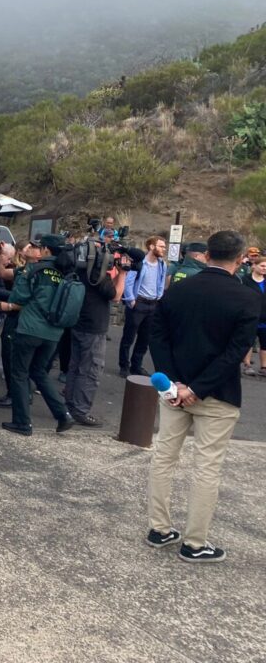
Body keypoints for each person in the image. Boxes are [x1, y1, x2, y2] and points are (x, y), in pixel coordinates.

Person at [146, 230, 259, 562]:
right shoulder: (247, 299)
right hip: (218, 393)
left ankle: (159, 528)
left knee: (164, 457)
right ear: (240, 261)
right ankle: (195, 543)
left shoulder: (178, 289)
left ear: (206, 255)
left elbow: (157, 336)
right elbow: (236, 351)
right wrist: (197, 388)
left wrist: (176, 382)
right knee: (206, 467)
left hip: (174, 391)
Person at [0, 234, 74, 435]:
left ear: (46, 250)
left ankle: (22, 422)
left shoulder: (33, 270)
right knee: (39, 372)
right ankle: (63, 415)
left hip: (29, 329)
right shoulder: (66, 272)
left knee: (19, 373)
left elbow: (18, 298)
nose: (34, 248)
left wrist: (9, 305)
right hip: (54, 333)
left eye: (38, 246)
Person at [63, 237, 127, 427]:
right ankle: (81, 410)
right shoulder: (97, 273)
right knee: (90, 369)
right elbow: (115, 296)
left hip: (78, 323)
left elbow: (106, 289)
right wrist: (122, 274)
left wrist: (114, 275)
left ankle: (71, 405)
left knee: (75, 366)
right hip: (93, 327)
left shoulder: (80, 269)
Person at [0, 239, 40, 408]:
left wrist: (9, 305)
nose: (28, 247)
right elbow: (1, 273)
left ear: (39, 254)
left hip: (21, 320)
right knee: (11, 357)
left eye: (33, 247)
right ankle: (21, 394)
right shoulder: (23, 270)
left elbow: (34, 302)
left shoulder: (37, 273)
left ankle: (16, 396)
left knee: (15, 359)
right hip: (14, 319)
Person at [118, 235, 167, 377]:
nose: (164, 249)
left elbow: (162, 281)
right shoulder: (139, 262)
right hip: (138, 304)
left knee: (145, 339)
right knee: (128, 337)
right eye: (161, 246)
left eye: (164, 246)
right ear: (151, 247)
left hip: (153, 304)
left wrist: (159, 297)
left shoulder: (162, 264)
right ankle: (124, 366)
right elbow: (129, 281)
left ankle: (136, 366)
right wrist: (131, 300)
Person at [240, 255, 266, 376]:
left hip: (265, 317)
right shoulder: (245, 280)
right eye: (262, 266)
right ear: (254, 266)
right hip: (250, 316)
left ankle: (264, 366)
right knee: (249, 342)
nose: (264, 268)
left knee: (264, 343)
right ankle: (247, 364)